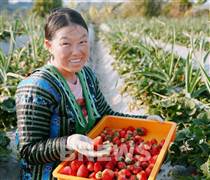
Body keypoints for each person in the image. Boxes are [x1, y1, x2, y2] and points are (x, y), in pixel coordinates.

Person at [15, 8, 161, 180]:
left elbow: (106, 115)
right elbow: (28, 151)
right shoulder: (36, 89)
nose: (76, 51)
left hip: (88, 163)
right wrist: (68, 142)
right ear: (49, 45)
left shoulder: (87, 76)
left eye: (82, 42)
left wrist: (144, 121)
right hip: (54, 173)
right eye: (66, 43)